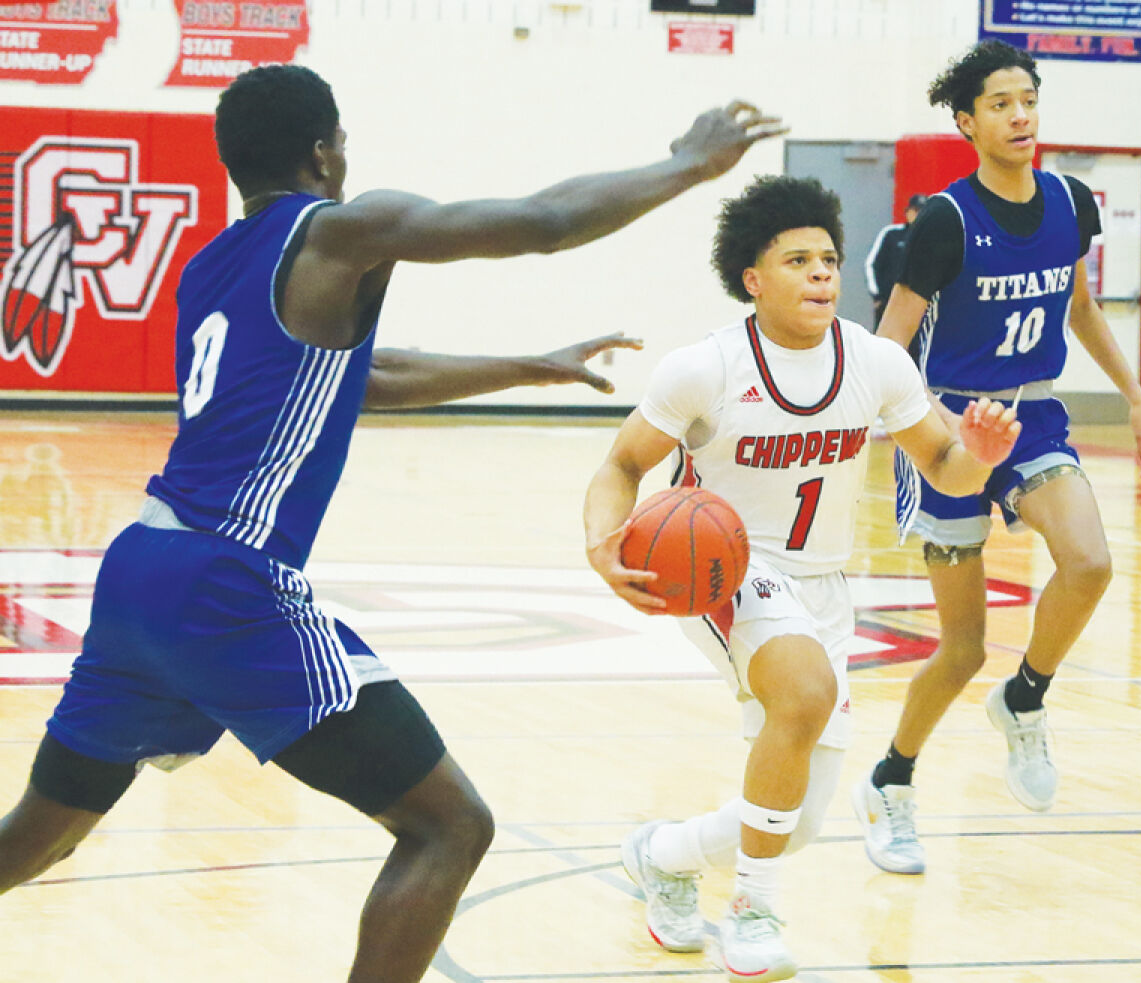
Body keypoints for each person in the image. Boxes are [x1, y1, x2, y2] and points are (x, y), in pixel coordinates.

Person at [0, 64, 788, 982]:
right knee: (450, 825)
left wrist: (527, 366)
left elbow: (365, 379)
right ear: (326, 150)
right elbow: (542, 223)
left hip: (141, 571)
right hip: (227, 580)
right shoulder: (341, 228)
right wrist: (689, 164)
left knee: (40, 835)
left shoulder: (210, 268)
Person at [583, 175, 1021, 982]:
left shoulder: (876, 362)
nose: (822, 273)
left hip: (824, 582)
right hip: (729, 569)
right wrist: (601, 543)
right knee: (805, 691)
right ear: (754, 278)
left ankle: (664, 853)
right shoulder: (705, 368)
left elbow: (947, 466)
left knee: (801, 819)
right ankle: (752, 908)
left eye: (828, 258)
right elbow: (620, 463)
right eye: (798, 260)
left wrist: (983, 456)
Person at [852, 40, 1141, 877]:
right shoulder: (944, 222)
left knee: (1091, 562)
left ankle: (1025, 697)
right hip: (949, 429)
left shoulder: (1071, 200)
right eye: (999, 103)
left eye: (1027, 98)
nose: (1020, 114)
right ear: (966, 122)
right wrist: (908, 433)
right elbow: (888, 348)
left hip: (1032, 419)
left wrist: (1138, 401)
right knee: (959, 648)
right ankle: (892, 779)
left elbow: (1081, 308)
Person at [864, 193, 928, 329]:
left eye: (923, 211)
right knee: (882, 345)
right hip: (888, 304)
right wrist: (877, 296)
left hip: (919, 308)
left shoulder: (933, 240)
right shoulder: (891, 234)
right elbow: (872, 264)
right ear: (908, 212)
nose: (918, 215)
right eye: (915, 210)